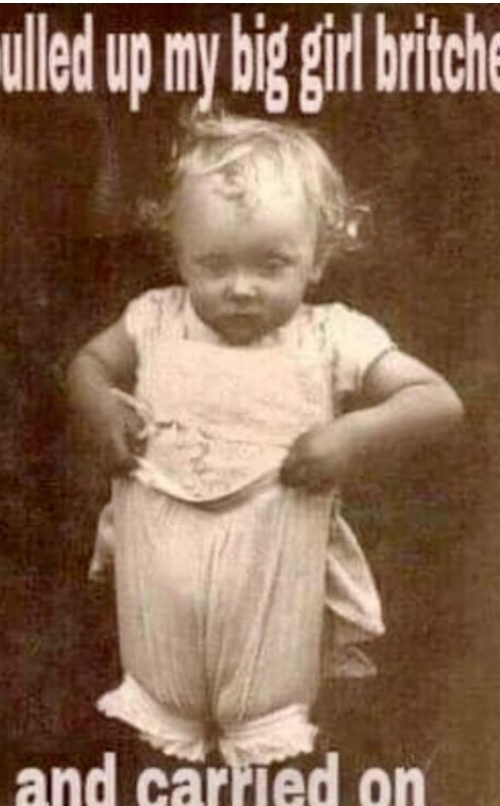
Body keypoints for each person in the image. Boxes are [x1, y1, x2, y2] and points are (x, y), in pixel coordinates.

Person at [67, 110, 464, 769]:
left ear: (316, 260)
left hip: (274, 569)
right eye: (213, 264)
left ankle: (264, 749)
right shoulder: (155, 318)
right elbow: (88, 365)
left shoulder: (332, 334)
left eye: (271, 264)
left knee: (265, 724)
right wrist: (101, 405)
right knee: (161, 718)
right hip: (160, 577)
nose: (241, 289)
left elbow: (436, 400)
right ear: (178, 254)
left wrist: (352, 436)